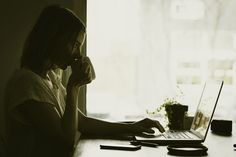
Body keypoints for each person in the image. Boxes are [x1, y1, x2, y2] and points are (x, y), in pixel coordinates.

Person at [4, 5, 165, 157]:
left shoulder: (50, 78)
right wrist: (73, 86)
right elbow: (64, 141)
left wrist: (132, 127)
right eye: (75, 45)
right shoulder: (27, 82)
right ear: (55, 38)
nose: (78, 55)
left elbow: (82, 122)